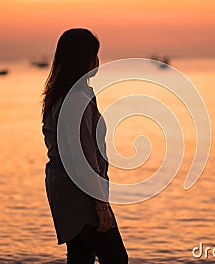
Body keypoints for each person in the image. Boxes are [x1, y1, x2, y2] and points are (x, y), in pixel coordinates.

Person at [41, 28, 128, 264]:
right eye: (94, 54)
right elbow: (83, 160)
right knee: (116, 258)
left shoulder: (65, 95)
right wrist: (100, 205)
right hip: (80, 195)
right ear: (83, 59)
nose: (98, 61)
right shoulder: (76, 99)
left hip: (69, 191)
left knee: (80, 257)